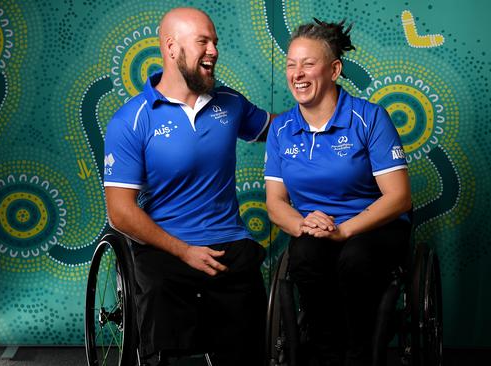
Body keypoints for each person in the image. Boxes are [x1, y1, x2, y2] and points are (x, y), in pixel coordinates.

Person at [103, 7, 272, 366]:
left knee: (250, 322)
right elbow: (120, 211)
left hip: (228, 241)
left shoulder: (231, 103)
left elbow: (280, 130)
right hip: (164, 244)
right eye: (203, 42)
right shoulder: (132, 120)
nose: (213, 50)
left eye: (215, 42)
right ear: (171, 48)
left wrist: (325, 106)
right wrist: (183, 251)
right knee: (162, 301)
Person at [264, 19, 412, 366]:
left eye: (308, 64)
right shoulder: (282, 130)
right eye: (291, 64)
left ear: (334, 69)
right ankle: (326, 351)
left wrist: (344, 230)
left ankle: (359, 351)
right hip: (316, 226)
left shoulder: (370, 119)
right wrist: (304, 225)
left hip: (376, 226)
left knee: (354, 259)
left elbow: (398, 197)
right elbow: (275, 202)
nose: (297, 73)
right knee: (304, 256)